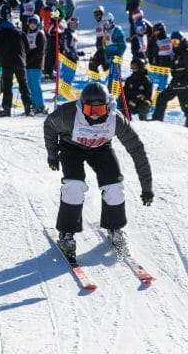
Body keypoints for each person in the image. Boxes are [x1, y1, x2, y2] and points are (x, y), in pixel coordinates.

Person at [42, 81, 154, 262]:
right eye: (89, 110)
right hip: (72, 147)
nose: (94, 116)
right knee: (74, 186)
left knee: (115, 186)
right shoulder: (68, 114)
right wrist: (52, 155)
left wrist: (147, 188)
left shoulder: (115, 120)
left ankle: (115, 228)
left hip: (101, 147)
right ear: (81, 106)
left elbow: (137, 150)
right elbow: (49, 125)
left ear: (107, 107)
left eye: (99, 110)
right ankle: (66, 234)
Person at [152, 31, 188, 129]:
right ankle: (156, 121)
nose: (174, 44)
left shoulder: (185, 52)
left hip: (183, 84)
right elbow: (170, 65)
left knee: (186, 106)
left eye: (176, 41)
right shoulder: (175, 52)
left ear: (181, 41)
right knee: (161, 98)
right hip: (175, 83)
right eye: (172, 41)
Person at [0, 17, 33, 117]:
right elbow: (27, 48)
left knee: (7, 86)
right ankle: (29, 108)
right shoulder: (20, 32)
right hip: (20, 63)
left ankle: (6, 109)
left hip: (6, 63)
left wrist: (1, 55)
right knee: (23, 85)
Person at [23, 15, 48, 115]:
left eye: (35, 23)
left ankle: (40, 106)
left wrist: (28, 58)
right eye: (31, 22)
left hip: (36, 64)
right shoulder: (27, 34)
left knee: (35, 85)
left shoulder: (39, 34)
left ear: (38, 24)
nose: (32, 25)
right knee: (30, 85)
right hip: (28, 64)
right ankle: (34, 105)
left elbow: (40, 51)